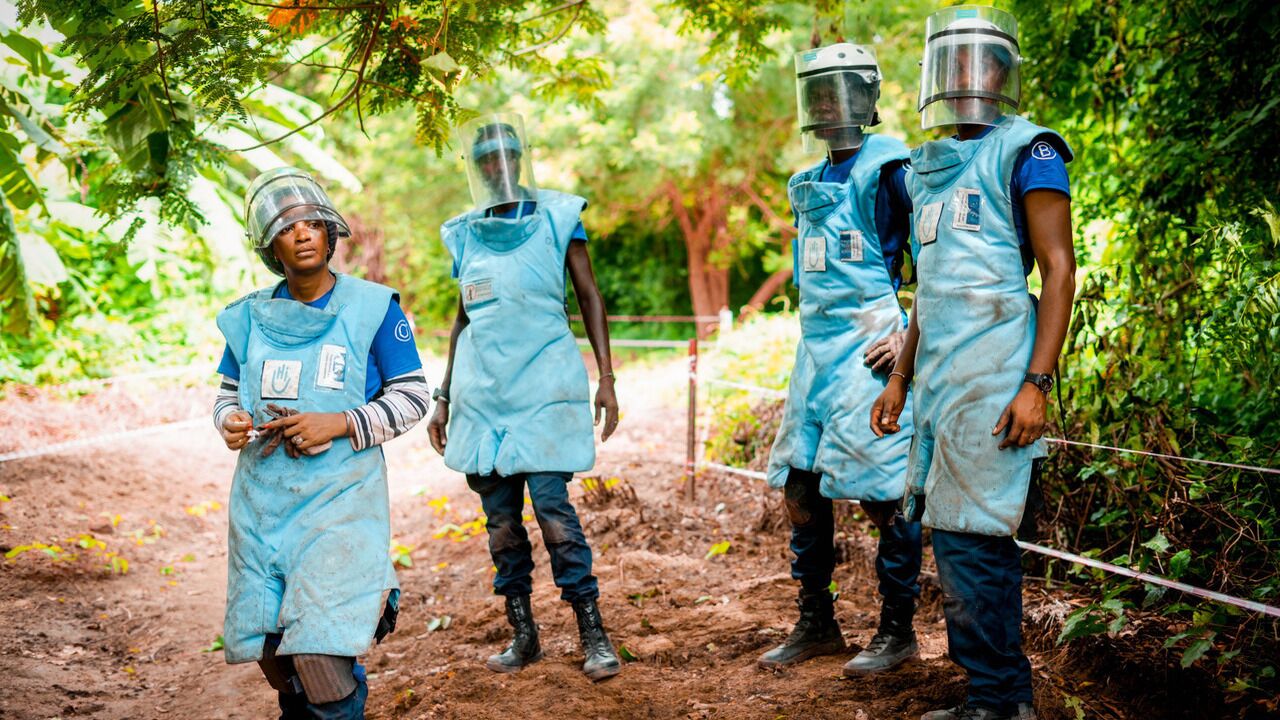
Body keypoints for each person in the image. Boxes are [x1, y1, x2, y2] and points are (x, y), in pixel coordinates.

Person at [870, 7, 1076, 720]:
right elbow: (925, 286)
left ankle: (1001, 701)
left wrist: (1035, 384)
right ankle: (988, 697)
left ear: (1000, 72)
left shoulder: (1030, 150)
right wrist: (900, 375)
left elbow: (1058, 269)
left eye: (976, 63)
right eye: (950, 63)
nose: (964, 78)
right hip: (939, 389)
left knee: (977, 543)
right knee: (954, 545)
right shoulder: (924, 169)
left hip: (997, 381)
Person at [214, 167, 431, 719]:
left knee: (320, 660)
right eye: (288, 228)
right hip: (262, 508)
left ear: (331, 234)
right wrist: (230, 421)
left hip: (339, 504)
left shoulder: (373, 309)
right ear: (271, 245)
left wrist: (338, 424)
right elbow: (225, 394)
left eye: (313, 223)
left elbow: (412, 398)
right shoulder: (249, 319)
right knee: (274, 653)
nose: (304, 234)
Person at [426, 114, 622, 682]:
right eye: (486, 159)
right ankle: (524, 633)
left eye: (506, 156)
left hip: (545, 383)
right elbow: (463, 319)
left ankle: (593, 633)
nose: (498, 166)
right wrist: (443, 396)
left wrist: (606, 377)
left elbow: (589, 296)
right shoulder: (464, 231)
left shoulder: (559, 216)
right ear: (478, 167)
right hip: (482, 391)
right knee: (501, 523)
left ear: (520, 158)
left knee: (553, 507)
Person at [758, 42, 923, 677]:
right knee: (799, 486)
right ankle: (818, 624)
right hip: (815, 352)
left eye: (839, 89)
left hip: (872, 348)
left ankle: (896, 631)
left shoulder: (894, 169)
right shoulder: (805, 182)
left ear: (867, 96)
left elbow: (935, 258)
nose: (828, 102)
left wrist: (908, 334)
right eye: (817, 91)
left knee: (885, 496)